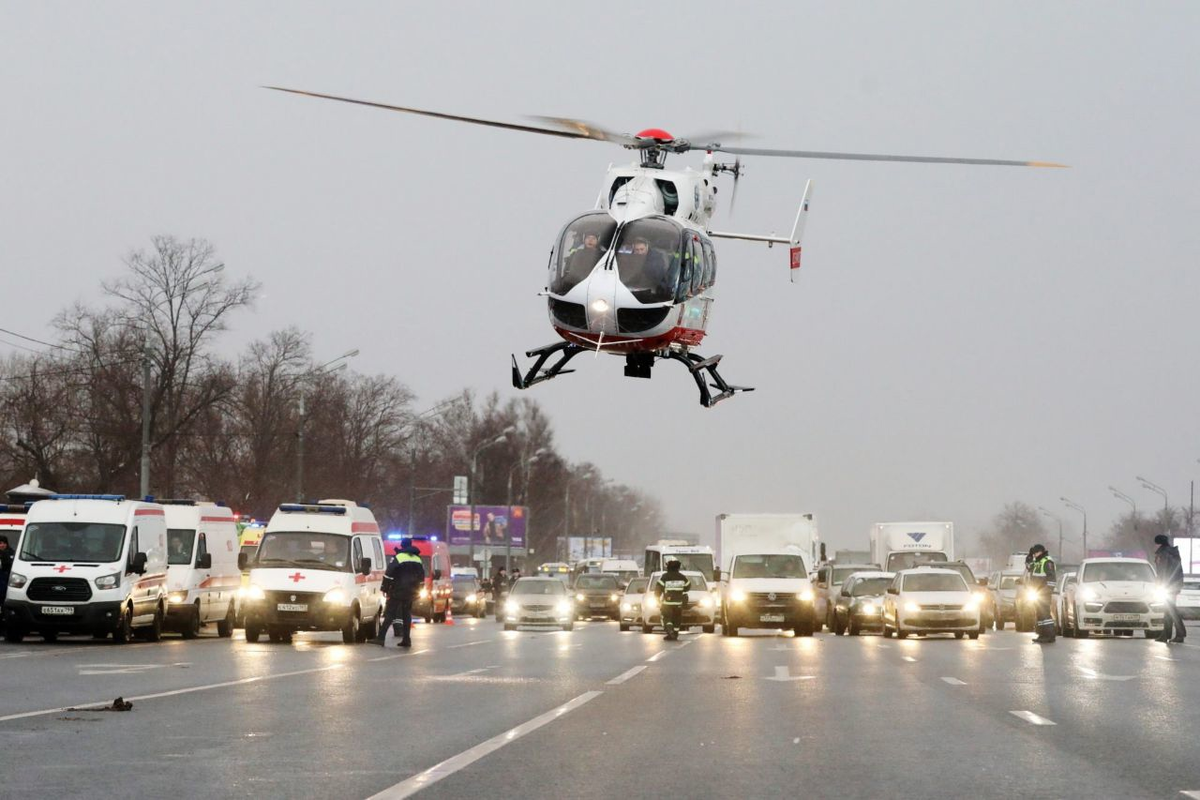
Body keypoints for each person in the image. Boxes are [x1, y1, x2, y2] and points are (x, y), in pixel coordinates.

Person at [375, 539, 424, 648]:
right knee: (406, 615)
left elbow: (389, 574)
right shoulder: (418, 559)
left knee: (390, 614)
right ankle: (406, 640)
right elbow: (421, 577)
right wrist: (419, 590)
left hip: (398, 590)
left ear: (402, 546)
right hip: (411, 592)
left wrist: (385, 588)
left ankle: (381, 638)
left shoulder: (398, 557)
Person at [1154, 534, 1186, 643]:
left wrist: (1160, 585)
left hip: (1167, 586)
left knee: (1171, 609)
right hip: (1175, 584)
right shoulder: (1173, 552)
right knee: (1169, 610)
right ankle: (1167, 634)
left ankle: (1179, 634)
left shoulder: (1163, 554)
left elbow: (1162, 571)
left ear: (1158, 544)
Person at [1027, 544, 1057, 643]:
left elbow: (1051, 578)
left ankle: (1050, 635)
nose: (1035, 555)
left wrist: (1047, 591)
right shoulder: (1037, 562)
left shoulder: (1047, 561)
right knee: (1039, 614)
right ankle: (1042, 634)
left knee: (1045, 614)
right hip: (1037, 592)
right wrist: (1029, 556)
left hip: (1044, 593)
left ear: (1041, 551)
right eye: (1034, 553)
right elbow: (1029, 567)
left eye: (1036, 553)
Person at [655, 559, 690, 641]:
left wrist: (657, 597)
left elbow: (658, 588)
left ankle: (670, 631)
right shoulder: (682, 577)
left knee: (667, 618)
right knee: (677, 619)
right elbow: (688, 586)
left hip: (667, 603)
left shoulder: (665, 577)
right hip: (679, 603)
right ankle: (675, 633)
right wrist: (681, 590)